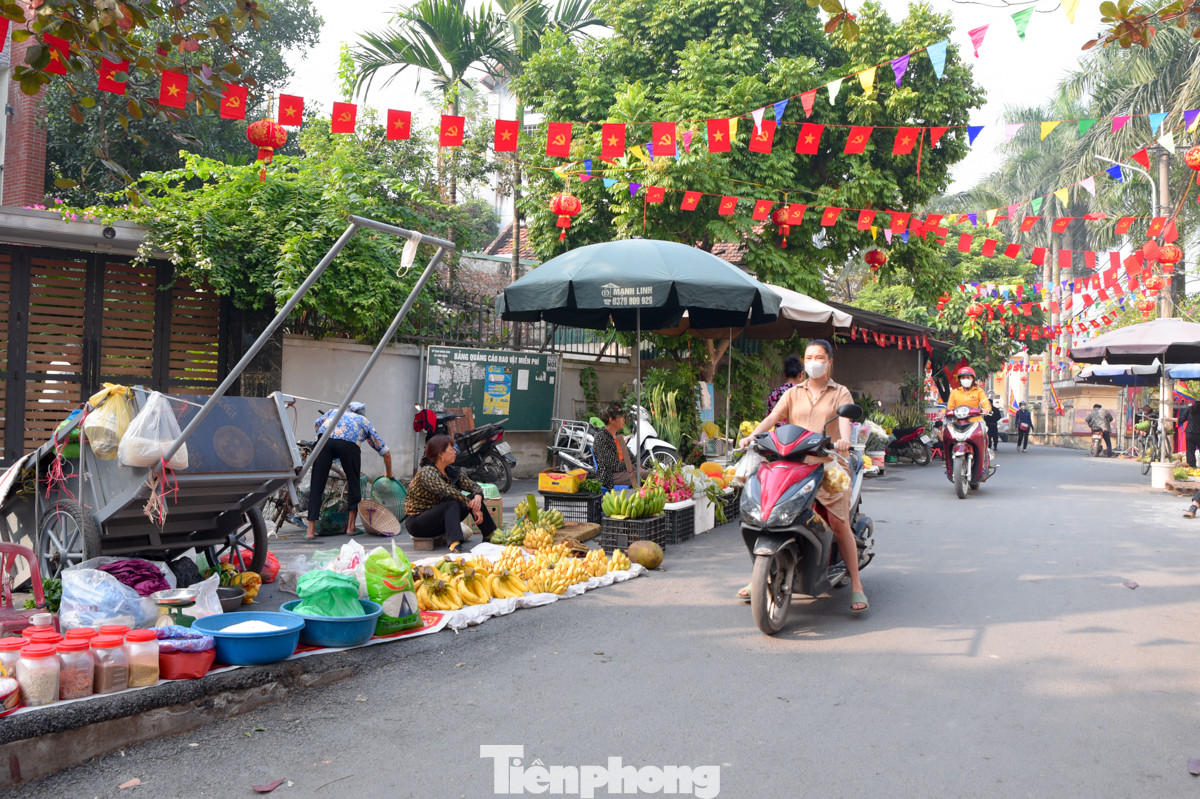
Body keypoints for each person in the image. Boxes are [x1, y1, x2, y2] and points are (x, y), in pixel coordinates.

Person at [737, 339, 867, 614]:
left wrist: (844, 440)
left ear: (830, 362)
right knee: (769, 514)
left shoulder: (840, 392)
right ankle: (758, 577)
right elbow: (773, 417)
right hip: (794, 463)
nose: (813, 362)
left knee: (838, 522)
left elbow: (846, 421)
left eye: (819, 357)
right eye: (809, 357)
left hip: (829, 466)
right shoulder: (793, 392)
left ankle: (857, 584)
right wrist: (752, 436)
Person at [305, 401, 392, 541]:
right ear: (360, 412)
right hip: (348, 444)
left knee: (316, 483)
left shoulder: (334, 412)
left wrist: (325, 437)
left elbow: (317, 423)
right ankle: (351, 527)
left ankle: (310, 530)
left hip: (324, 441)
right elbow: (385, 451)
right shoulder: (363, 420)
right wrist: (389, 473)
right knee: (353, 482)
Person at [404, 434, 495, 552]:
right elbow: (447, 492)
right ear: (441, 454)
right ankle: (455, 545)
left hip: (440, 519)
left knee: (472, 497)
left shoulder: (450, 470)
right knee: (452, 502)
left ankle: (490, 535)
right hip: (418, 523)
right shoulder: (427, 472)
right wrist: (472, 505)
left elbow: (474, 486)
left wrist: (477, 499)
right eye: (451, 449)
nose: (455, 452)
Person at [593, 402, 635, 489]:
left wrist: (636, 465)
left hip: (623, 472)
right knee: (647, 475)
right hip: (609, 476)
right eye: (621, 417)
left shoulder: (618, 437)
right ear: (611, 420)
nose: (624, 420)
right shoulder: (601, 437)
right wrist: (631, 467)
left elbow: (632, 458)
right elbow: (612, 465)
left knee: (649, 474)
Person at [1180, 398, 1200, 468]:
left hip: (1190, 432)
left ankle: (1192, 467)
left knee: (1190, 451)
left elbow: (1182, 419)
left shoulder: (1189, 409)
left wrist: (1170, 419)